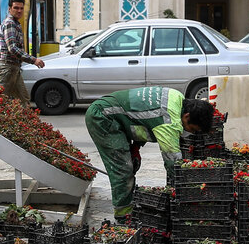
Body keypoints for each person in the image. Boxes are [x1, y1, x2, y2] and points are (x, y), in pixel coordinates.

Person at [85, 86, 214, 221]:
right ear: (187, 116)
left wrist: (136, 147)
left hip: (117, 116)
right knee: (123, 170)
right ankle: (123, 217)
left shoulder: (176, 97)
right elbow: (173, 163)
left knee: (130, 164)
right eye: (192, 129)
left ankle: (128, 203)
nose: (191, 133)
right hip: (102, 117)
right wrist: (190, 193)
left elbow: (143, 118)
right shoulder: (169, 122)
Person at [0, 0, 44, 106]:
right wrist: (33, 60)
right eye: (16, 8)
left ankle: (26, 122)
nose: (19, 11)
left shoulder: (14, 24)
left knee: (24, 101)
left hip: (13, 69)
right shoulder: (10, 24)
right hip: (8, 69)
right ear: (9, 9)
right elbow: (12, 49)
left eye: (21, 8)